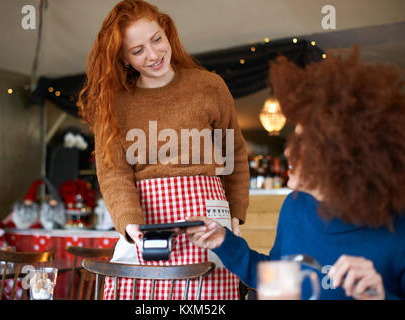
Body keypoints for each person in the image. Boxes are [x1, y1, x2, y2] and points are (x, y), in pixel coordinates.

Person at [185, 46, 405, 300]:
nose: (288, 153)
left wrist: (379, 296)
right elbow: (279, 279)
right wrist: (224, 242)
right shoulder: (295, 206)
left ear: (344, 159)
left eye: (302, 145)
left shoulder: (398, 226)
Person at [77, 0, 249, 299]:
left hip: (209, 216)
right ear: (124, 59)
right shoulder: (116, 102)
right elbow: (114, 172)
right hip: (146, 221)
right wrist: (130, 222)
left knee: (208, 299)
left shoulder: (209, 86)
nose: (154, 54)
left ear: (167, 32)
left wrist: (235, 214)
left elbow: (232, 153)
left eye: (156, 39)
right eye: (138, 50)